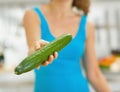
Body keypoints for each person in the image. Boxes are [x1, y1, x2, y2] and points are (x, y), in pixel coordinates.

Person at [23, 0, 111, 92]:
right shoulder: (32, 15)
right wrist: (36, 51)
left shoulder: (87, 26)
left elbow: (94, 74)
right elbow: (33, 49)